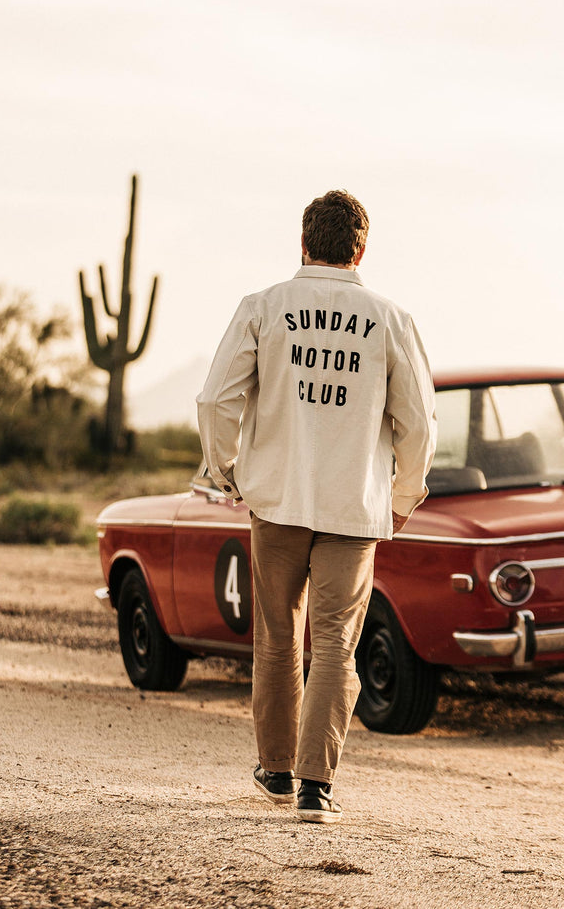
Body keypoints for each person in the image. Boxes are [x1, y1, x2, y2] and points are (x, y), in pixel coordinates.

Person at [197, 190, 436, 823]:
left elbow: (215, 398)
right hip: (353, 509)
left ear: (303, 242)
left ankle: (275, 771)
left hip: (275, 502)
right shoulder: (390, 319)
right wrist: (405, 496)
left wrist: (225, 472)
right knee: (334, 646)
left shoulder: (264, 307)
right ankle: (314, 788)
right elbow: (419, 422)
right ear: (360, 248)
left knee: (277, 638)